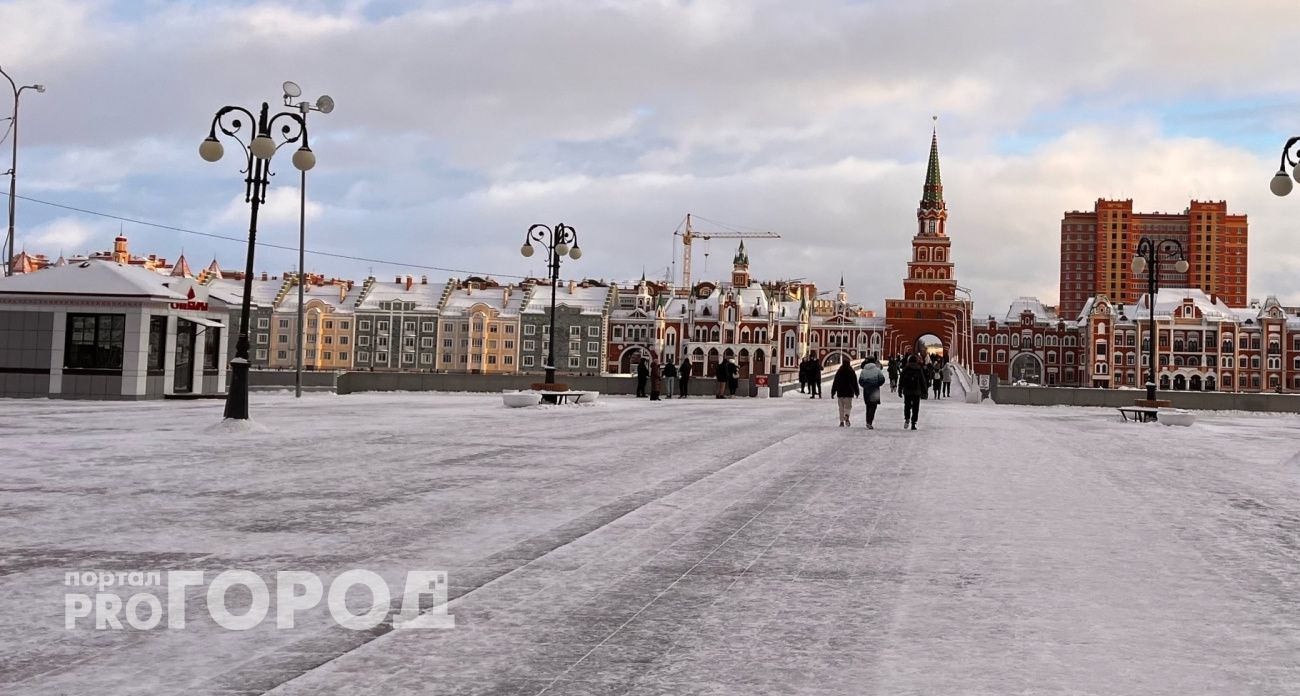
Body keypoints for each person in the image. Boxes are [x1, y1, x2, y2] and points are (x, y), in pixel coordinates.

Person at [898, 352, 927, 430]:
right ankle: (913, 424)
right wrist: (925, 391)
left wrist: (900, 390)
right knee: (915, 408)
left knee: (907, 406)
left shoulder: (905, 368)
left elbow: (901, 380)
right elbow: (922, 381)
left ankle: (907, 418)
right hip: (916, 391)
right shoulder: (918, 369)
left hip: (907, 391)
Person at [858, 356, 886, 429]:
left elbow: (860, 381)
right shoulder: (877, 370)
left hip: (866, 390)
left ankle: (868, 421)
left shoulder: (863, 371)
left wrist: (865, 386)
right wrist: (877, 384)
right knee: (873, 406)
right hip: (875, 390)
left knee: (868, 406)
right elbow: (882, 379)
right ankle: (870, 422)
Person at [830, 359, 859, 427]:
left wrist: (833, 392)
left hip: (840, 392)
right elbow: (855, 383)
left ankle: (841, 422)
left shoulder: (839, 372)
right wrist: (856, 392)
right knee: (848, 407)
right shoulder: (851, 372)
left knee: (841, 408)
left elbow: (835, 383)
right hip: (849, 392)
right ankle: (846, 415)